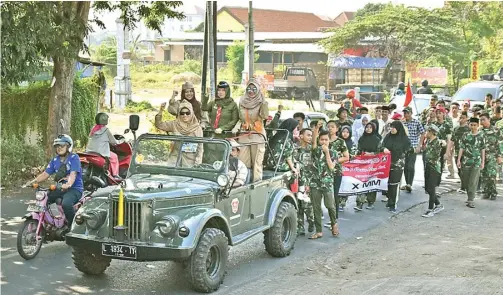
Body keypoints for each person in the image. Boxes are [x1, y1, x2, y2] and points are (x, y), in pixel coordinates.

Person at [25, 134, 83, 225]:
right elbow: (45, 174)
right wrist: (32, 182)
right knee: (45, 199)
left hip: (74, 189)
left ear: (68, 146)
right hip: (59, 188)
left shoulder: (74, 158)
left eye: (62, 145)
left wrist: (68, 184)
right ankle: (57, 218)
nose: (59, 148)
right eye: (57, 146)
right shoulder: (55, 160)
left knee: (66, 204)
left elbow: (73, 174)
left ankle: (72, 226)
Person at [232, 80, 269, 182]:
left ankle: (256, 186)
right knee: (242, 162)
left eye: (254, 89)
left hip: (257, 135)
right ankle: (243, 183)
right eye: (249, 88)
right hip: (244, 135)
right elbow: (241, 118)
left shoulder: (261, 101)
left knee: (256, 163)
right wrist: (236, 127)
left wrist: (264, 104)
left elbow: (265, 116)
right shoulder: (242, 100)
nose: (251, 91)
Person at [309, 129, 339, 239]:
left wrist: (326, 152)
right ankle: (319, 231)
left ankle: (334, 223)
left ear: (329, 141)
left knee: (330, 205)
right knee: (316, 207)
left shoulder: (334, 153)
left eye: (326, 140)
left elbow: (331, 167)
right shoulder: (315, 151)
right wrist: (316, 130)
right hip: (315, 183)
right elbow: (313, 143)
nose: (324, 142)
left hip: (327, 183)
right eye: (322, 140)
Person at [155, 101, 203, 167]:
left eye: (187, 113)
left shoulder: (197, 128)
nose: (185, 115)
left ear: (191, 113)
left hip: (190, 163)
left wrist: (197, 164)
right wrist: (161, 110)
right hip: (174, 160)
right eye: (182, 113)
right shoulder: (174, 124)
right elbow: (159, 125)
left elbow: (200, 147)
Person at [355, 122, 385, 211]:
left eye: (370, 127)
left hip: (373, 164)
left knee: (371, 182)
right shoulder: (362, 139)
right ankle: (359, 203)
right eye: (367, 127)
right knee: (361, 182)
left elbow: (380, 152)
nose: (368, 129)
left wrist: (371, 154)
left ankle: (371, 202)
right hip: (362, 164)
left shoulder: (377, 139)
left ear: (373, 129)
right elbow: (358, 150)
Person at [382, 121, 411, 213]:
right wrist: (384, 149)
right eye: (391, 127)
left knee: (394, 184)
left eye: (394, 127)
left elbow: (409, 149)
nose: (392, 129)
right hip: (387, 164)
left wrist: (400, 152)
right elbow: (381, 146)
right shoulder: (388, 136)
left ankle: (392, 204)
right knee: (388, 184)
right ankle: (389, 199)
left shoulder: (404, 138)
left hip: (398, 164)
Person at [457, 117, 486, 208]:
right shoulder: (465, 135)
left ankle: (470, 199)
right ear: (469, 125)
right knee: (465, 179)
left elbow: (483, 149)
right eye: (471, 125)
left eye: (475, 125)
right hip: (466, 161)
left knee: (473, 180)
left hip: (476, 161)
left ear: (478, 126)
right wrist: (459, 160)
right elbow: (462, 147)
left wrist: (483, 162)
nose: (473, 127)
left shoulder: (481, 136)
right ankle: (469, 194)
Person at [293, 128, 315, 235]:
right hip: (297, 181)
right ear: (301, 136)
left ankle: (311, 221)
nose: (310, 137)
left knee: (307, 204)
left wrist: (309, 183)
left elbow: (314, 167)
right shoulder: (295, 148)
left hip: (308, 180)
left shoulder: (312, 149)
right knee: (298, 204)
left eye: (311, 135)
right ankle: (300, 227)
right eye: (308, 135)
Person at [401, 107, 425, 193]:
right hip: (404, 147)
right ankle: (407, 183)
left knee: (411, 166)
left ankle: (410, 184)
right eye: (405, 113)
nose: (406, 114)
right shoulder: (402, 123)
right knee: (405, 166)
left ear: (411, 113)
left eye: (407, 113)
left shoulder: (416, 122)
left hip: (413, 147)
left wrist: (419, 145)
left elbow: (423, 133)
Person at [479, 113, 503, 200]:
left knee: (491, 174)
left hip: (493, 155)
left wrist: (500, 156)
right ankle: (486, 192)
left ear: (489, 119)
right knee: (484, 174)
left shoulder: (496, 130)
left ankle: (493, 192)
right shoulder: (480, 131)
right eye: (480, 120)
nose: (482, 121)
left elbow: (500, 143)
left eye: (484, 119)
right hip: (482, 156)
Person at [422, 125, 444, 217]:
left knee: (431, 188)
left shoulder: (438, 142)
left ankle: (430, 209)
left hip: (434, 167)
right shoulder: (428, 141)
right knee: (427, 188)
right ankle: (438, 204)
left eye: (427, 131)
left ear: (431, 132)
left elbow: (434, 155)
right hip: (428, 166)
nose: (425, 133)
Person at [448, 111, 470, 193]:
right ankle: (463, 185)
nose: (461, 119)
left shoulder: (468, 129)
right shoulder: (456, 129)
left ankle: (465, 186)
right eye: (460, 117)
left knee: (465, 170)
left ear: (466, 119)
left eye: (463, 118)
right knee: (459, 169)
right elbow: (452, 139)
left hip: (467, 153)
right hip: (457, 152)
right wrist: (450, 149)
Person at [433, 106, 452, 177]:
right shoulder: (433, 124)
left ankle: (437, 181)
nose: (438, 115)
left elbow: (449, 139)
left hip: (442, 148)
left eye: (440, 113)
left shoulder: (447, 125)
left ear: (443, 114)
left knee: (439, 166)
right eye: (437, 113)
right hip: (433, 148)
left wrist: (447, 152)